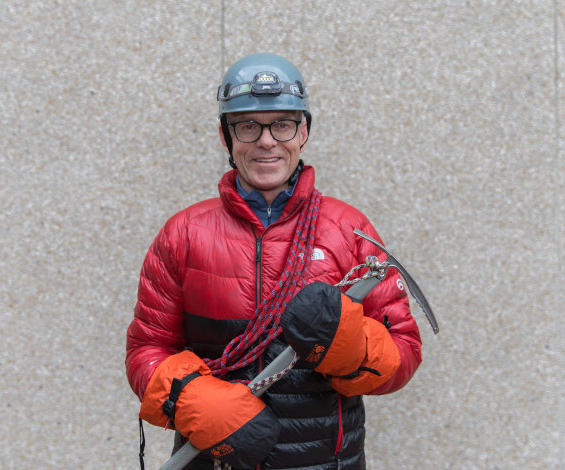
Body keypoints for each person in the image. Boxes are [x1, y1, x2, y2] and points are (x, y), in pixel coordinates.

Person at [126, 53, 422, 470]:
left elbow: (404, 349)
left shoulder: (350, 230)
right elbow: (147, 348)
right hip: (214, 460)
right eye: (248, 125)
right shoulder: (183, 234)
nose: (267, 141)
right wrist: (188, 397)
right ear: (225, 136)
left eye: (282, 124)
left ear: (304, 132)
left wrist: (355, 348)